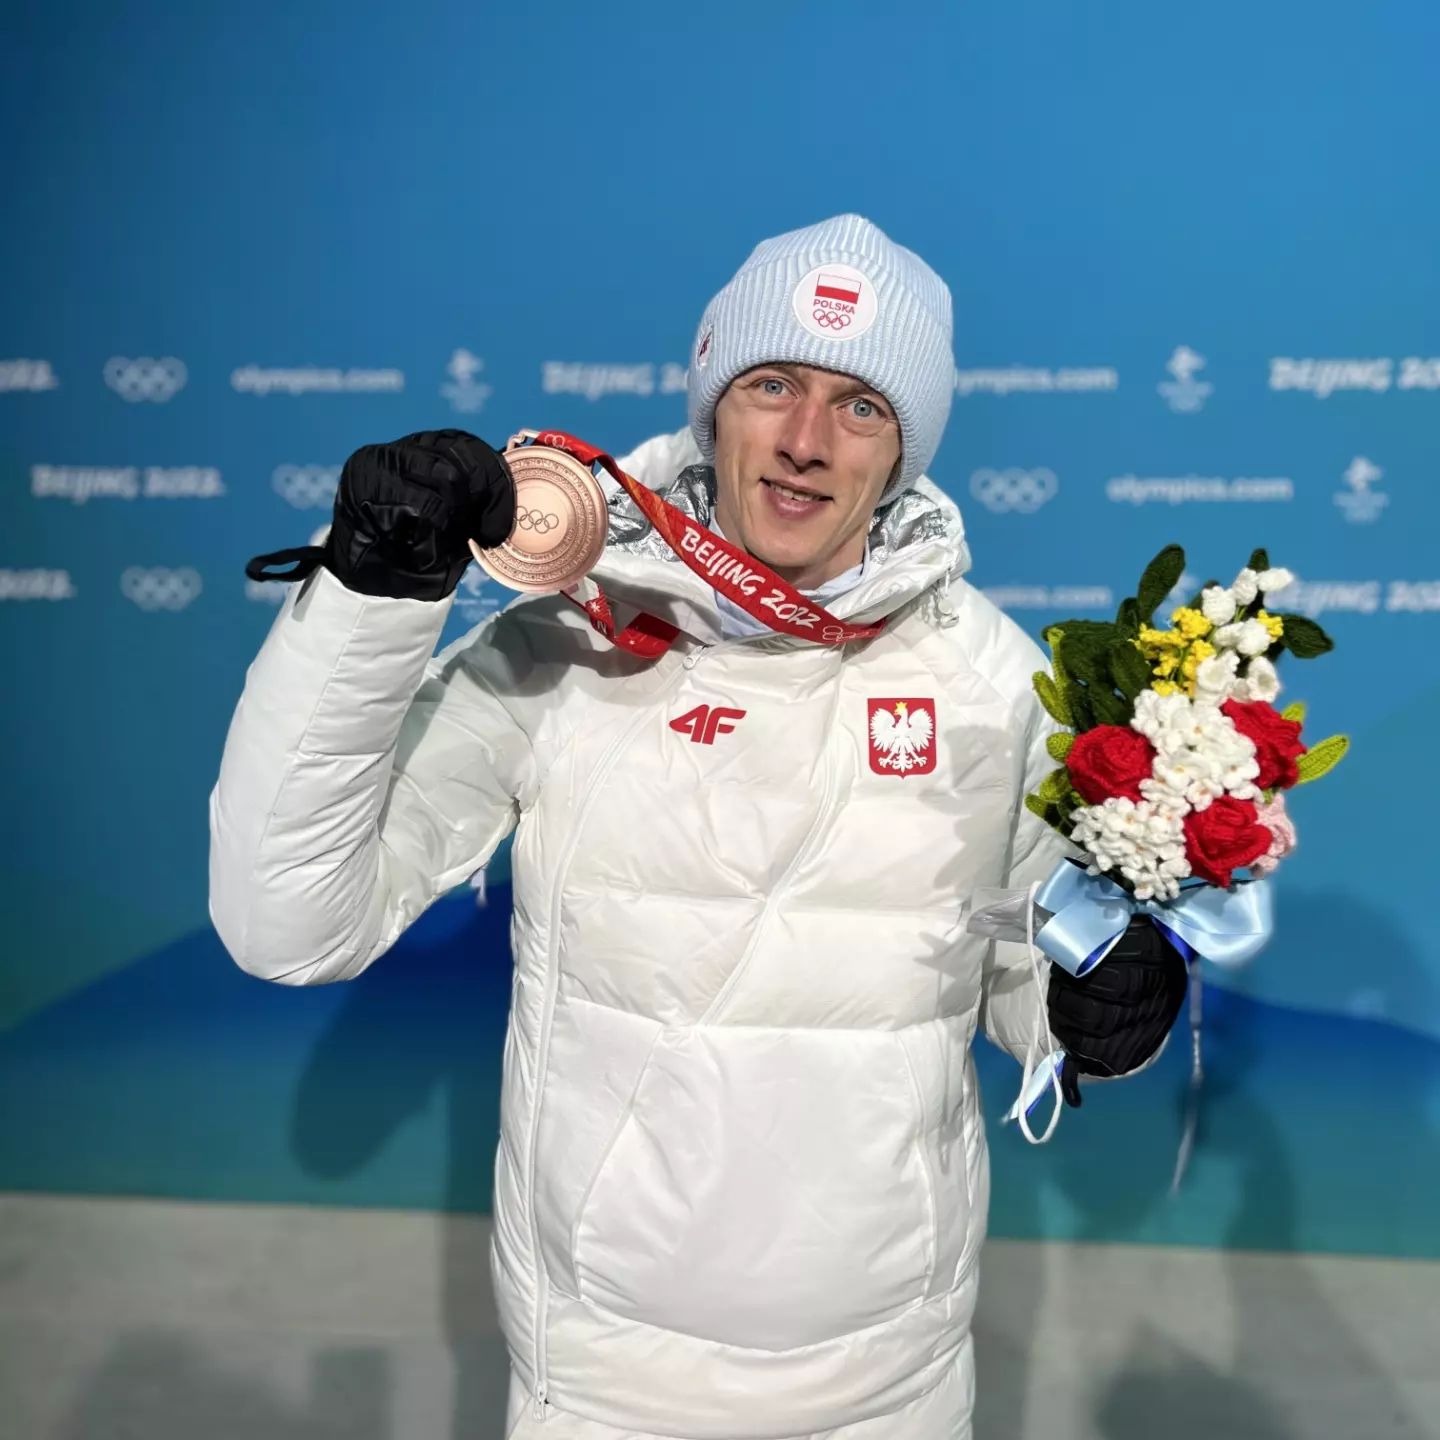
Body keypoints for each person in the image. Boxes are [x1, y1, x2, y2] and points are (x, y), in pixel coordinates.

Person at [210, 214, 1186, 1439]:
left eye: (861, 405)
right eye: (773, 384)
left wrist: (1103, 1009)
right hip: (604, 1388)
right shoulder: (565, 642)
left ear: (906, 448)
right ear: (714, 403)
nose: (806, 440)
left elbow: (1027, 985)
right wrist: (369, 596)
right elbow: (288, 924)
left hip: (891, 1388)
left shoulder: (989, 679)